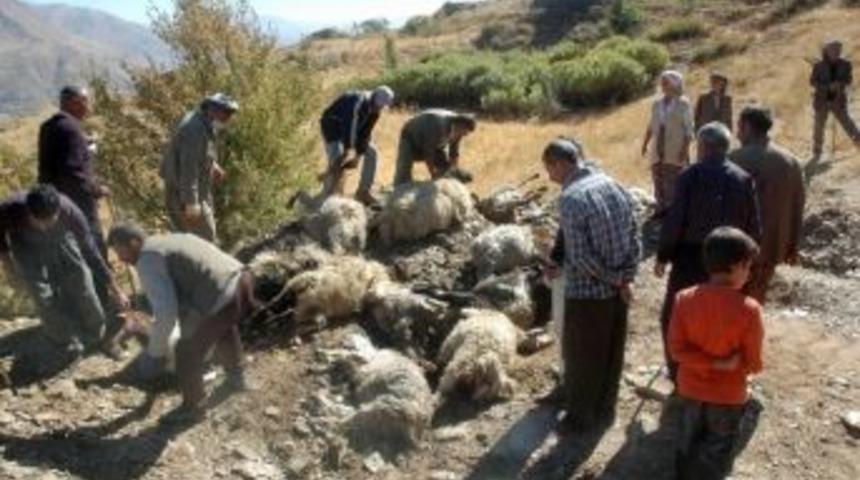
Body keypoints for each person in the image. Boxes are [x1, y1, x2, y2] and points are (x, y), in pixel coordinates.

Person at [541, 138, 640, 432]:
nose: (549, 176)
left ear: (561, 163)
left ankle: (579, 419)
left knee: (582, 358)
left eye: (549, 168)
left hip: (588, 294)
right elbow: (635, 236)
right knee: (611, 353)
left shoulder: (571, 198)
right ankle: (606, 409)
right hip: (618, 292)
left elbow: (582, 258)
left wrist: (615, 279)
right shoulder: (613, 184)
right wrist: (625, 278)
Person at [107, 224, 253, 422]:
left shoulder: (148, 259)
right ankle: (237, 377)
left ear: (134, 243)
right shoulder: (169, 239)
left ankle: (193, 408)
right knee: (222, 323)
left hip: (220, 293)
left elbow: (166, 314)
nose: (121, 259)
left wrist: (155, 354)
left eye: (120, 252)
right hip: (243, 280)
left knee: (186, 351)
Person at [656, 122, 761, 384]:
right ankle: (725, 371)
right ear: (726, 147)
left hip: (691, 257)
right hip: (731, 257)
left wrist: (663, 255)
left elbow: (675, 220)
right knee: (725, 315)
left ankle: (680, 373)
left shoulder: (689, 176)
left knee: (676, 315)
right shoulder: (742, 178)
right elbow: (754, 226)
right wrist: (748, 263)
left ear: (702, 146)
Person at [669, 226, 764, 480]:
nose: (749, 273)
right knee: (717, 452)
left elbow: (676, 351)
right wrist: (730, 365)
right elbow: (753, 362)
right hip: (728, 396)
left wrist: (710, 362)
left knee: (686, 443)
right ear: (737, 266)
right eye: (748, 267)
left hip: (690, 389)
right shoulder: (749, 309)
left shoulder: (683, 298)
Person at [0, 185, 128, 356]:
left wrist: (116, 289)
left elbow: (91, 253)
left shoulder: (70, 212)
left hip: (61, 239)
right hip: (25, 245)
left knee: (83, 283)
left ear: (58, 212)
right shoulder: (9, 209)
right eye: (38, 221)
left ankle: (98, 334)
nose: (43, 227)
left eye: (48, 221)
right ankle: (64, 339)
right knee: (40, 295)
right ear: (28, 212)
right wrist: (8, 264)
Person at [730, 106, 806, 303]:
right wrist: (793, 245)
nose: (737, 133)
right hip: (772, 247)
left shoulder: (734, 159)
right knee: (755, 299)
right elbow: (798, 207)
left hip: (735, 247)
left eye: (739, 127)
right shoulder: (791, 162)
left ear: (747, 127)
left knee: (731, 299)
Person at [38, 86, 109, 257]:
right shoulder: (71, 128)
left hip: (55, 202)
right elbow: (74, 172)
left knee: (72, 251)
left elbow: (57, 161)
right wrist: (97, 190)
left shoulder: (48, 126)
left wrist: (85, 146)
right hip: (79, 202)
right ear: (75, 103)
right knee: (93, 247)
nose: (88, 106)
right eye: (86, 101)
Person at [160, 93, 239, 243]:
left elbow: (198, 154)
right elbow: (188, 168)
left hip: (194, 190)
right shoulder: (194, 129)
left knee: (196, 240)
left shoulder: (203, 122)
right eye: (227, 113)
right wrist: (191, 203)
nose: (228, 118)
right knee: (204, 241)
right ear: (213, 110)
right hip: (183, 194)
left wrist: (212, 165)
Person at [319, 86, 394, 205]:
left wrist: (358, 157)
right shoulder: (358, 101)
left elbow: (366, 133)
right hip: (332, 127)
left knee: (372, 152)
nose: (378, 108)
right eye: (378, 105)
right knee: (337, 158)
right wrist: (349, 151)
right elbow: (349, 126)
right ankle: (330, 196)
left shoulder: (376, 111)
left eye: (381, 106)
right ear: (373, 96)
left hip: (350, 131)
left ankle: (363, 192)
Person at [642, 70, 695, 217]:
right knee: (657, 176)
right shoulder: (657, 104)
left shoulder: (683, 104)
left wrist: (684, 150)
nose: (663, 85)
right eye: (662, 82)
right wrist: (645, 143)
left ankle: (675, 211)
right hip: (657, 147)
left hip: (674, 147)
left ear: (675, 84)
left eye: (666, 82)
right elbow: (651, 125)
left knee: (673, 179)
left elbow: (689, 130)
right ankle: (661, 208)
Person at [393, 109, 477, 186]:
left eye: (466, 134)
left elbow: (454, 153)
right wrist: (433, 174)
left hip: (434, 144)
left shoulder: (458, 130)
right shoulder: (438, 124)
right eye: (464, 132)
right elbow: (428, 152)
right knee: (404, 171)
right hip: (411, 137)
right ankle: (396, 189)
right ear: (460, 125)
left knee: (446, 168)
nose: (464, 135)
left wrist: (454, 171)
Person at [810, 39, 860, 161]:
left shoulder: (846, 64)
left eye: (838, 49)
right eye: (833, 49)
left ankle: (858, 141)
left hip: (838, 100)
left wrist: (839, 84)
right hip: (821, 101)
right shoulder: (818, 66)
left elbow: (849, 80)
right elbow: (813, 82)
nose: (836, 52)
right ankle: (817, 150)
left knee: (847, 123)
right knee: (819, 126)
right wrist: (827, 86)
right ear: (827, 51)